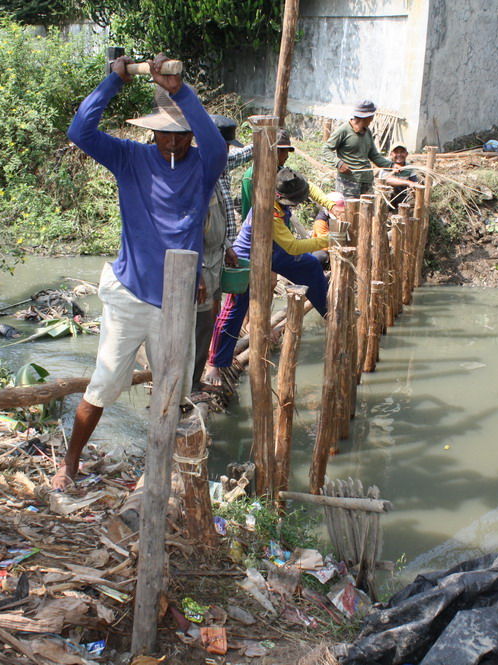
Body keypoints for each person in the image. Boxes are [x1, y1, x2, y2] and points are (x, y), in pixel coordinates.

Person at [52, 54, 226, 491]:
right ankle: (70, 465)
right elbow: (80, 132)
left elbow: (218, 145)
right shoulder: (130, 158)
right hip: (129, 295)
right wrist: (113, 82)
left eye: (180, 135)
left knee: (172, 395)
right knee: (104, 385)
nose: (172, 144)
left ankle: (158, 474)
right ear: (150, 132)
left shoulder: (204, 169)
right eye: (164, 135)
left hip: (176, 303)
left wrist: (179, 91)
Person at [205, 168, 336, 386]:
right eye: (296, 202)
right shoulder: (269, 212)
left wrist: (332, 206)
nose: (299, 204)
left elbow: (310, 187)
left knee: (311, 265)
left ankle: (330, 314)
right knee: (233, 311)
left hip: (275, 252)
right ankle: (215, 363)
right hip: (249, 258)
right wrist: (328, 240)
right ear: (282, 198)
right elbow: (293, 246)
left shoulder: (283, 186)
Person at [191, 116, 253, 394]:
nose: (227, 152)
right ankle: (193, 379)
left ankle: (200, 372)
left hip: (218, 251)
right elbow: (188, 228)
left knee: (212, 312)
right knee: (200, 318)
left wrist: (228, 245)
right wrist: (195, 271)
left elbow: (221, 215)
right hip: (200, 258)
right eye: (224, 146)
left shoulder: (220, 163)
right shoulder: (197, 170)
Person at [324, 100, 394, 197]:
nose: (372, 119)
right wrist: (339, 163)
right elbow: (326, 149)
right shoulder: (344, 130)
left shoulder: (367, 132)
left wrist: (391, 166)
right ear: (367, 117)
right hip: (348, 182)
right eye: (372, 116)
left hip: (366, 181)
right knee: (347, 211)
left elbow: (374, 155)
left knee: (367, 211)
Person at [381, 142, 421, 210]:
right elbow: (387, 180)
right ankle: (387, 213)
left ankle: (407, 214)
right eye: (396, 152)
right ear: (391, 154)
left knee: (414, 196)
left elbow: (415, 184)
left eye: (402, 152)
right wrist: (408, 182)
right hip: (387, 198)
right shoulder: (386, 165)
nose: (399, 155)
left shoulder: (409, 168)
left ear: (406, 154)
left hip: (402, 197)